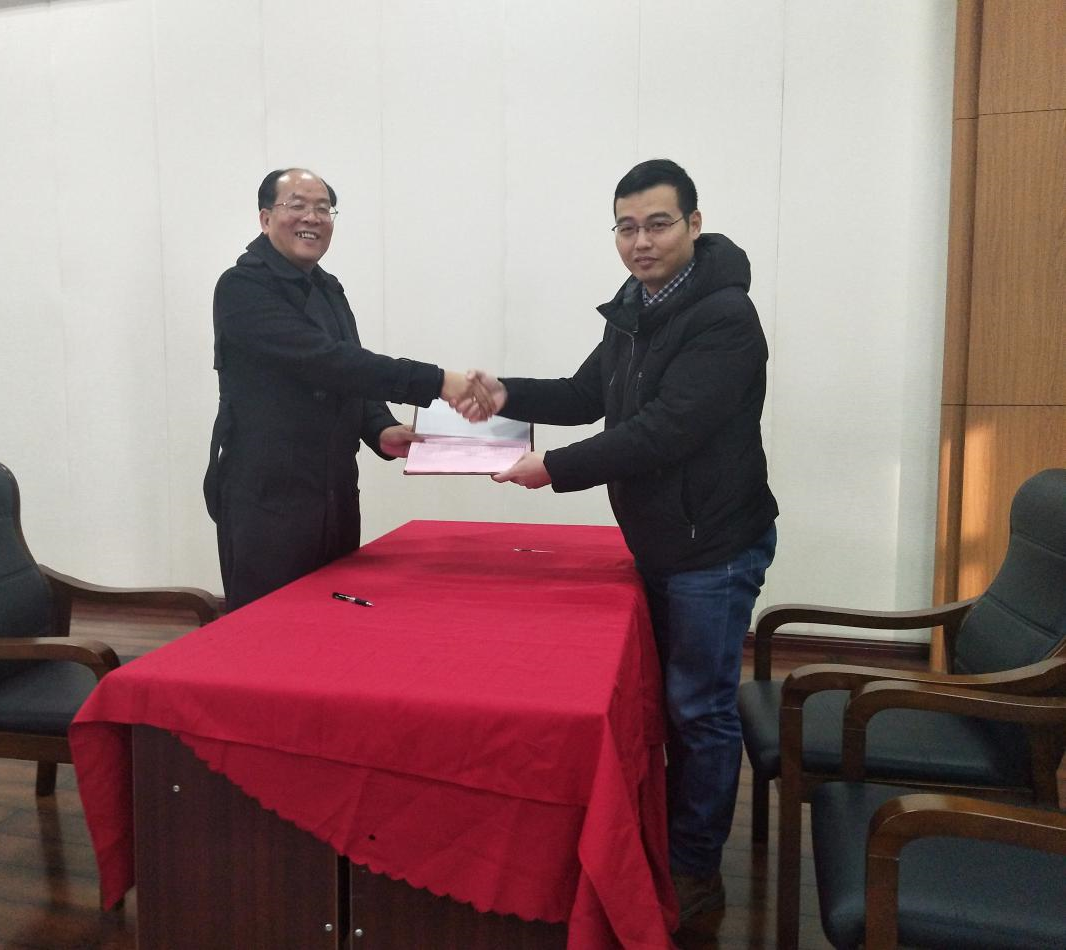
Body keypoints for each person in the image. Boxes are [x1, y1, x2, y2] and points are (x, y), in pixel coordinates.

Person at [463, 159, 777, 923]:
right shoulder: (636, 306)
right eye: (626, 227)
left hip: (711, 547)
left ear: (693, 225)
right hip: (662, 541)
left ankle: (695, 872)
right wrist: (505, 394)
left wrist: (553, 469)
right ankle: (664, 841)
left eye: (657, 224)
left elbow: (665, 431)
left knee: (698, 709)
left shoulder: (724, 316)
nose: (641, 241)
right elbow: (586, 395)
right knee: (670, 704)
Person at [204, 167, 490, 610]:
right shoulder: (242, 287)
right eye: (297, 205)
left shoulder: (328, 287)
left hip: (334, 493)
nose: (312, 218)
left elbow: (350, 373)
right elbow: (323, 361)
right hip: (268, 500)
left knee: (334, 619)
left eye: (323, 209)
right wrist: (438, 381)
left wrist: (379, 428)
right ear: (265, 218)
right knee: (270, 624)